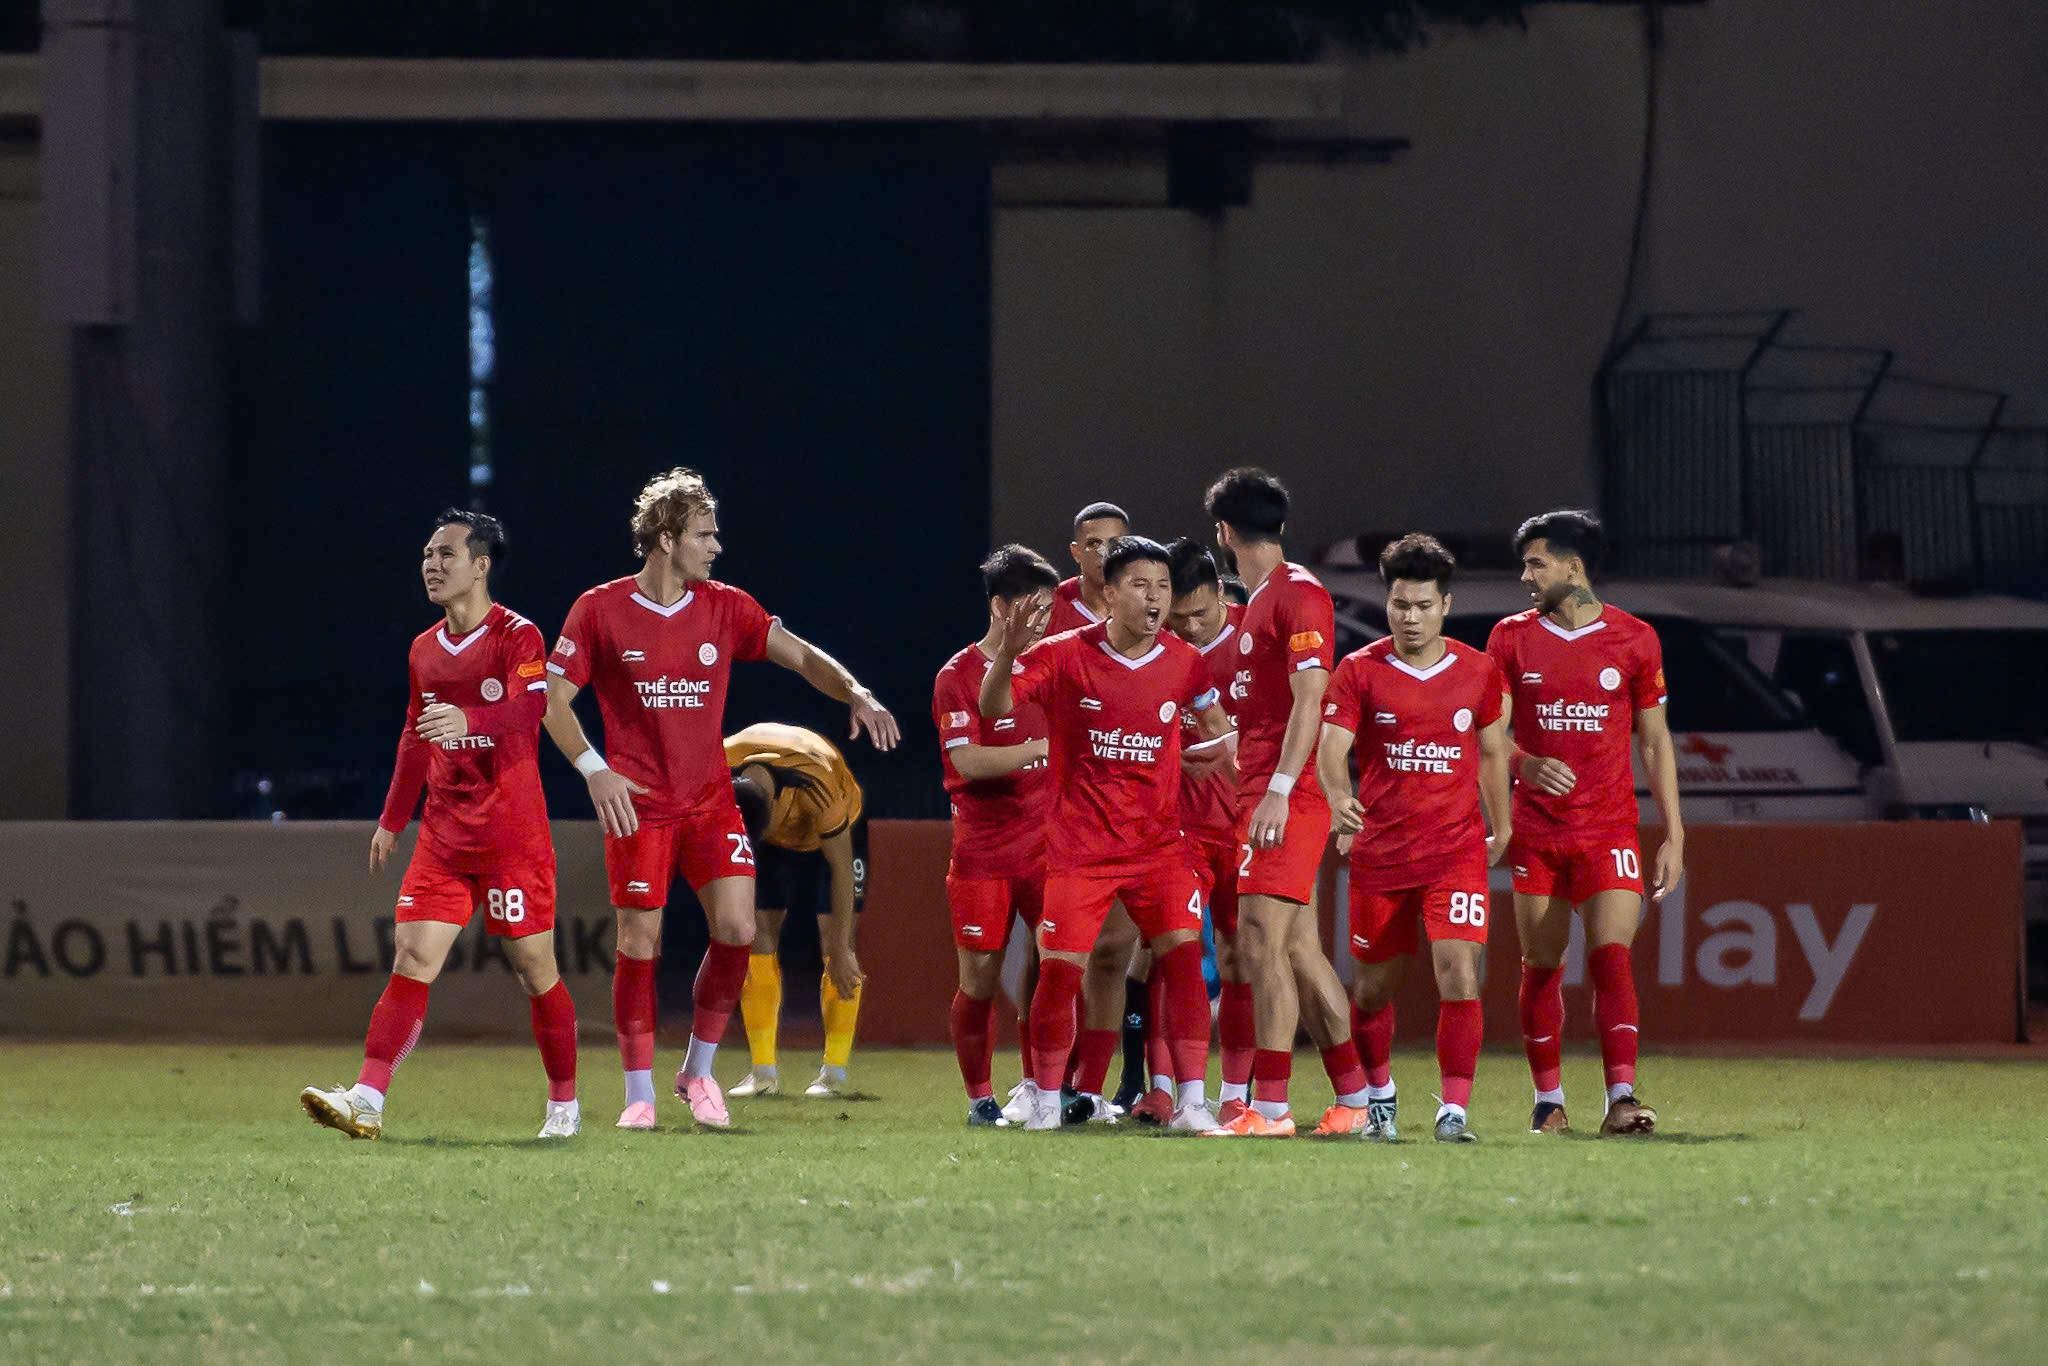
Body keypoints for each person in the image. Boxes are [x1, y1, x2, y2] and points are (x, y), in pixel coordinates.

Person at [542, 467, 900, 1131]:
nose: (717, 547)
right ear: (667, 538)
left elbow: (800, 656)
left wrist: (857, 692)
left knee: (737, 929)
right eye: (706, 535)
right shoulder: (599, 610)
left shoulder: (726, 606)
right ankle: (638, 1092)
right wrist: (595, 769)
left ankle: (697, 1073)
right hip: (640, 806)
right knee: (640, 939)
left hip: (710, 801)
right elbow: (552, 701)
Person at [301, 510, 578, 1140]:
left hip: (512, 837)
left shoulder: (519, 637)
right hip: (445, 835)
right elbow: (413, 734)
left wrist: (470, 721)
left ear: (481, 565)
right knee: (413, 954)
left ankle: (564, 1103)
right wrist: (394, 818)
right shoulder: (423, 649)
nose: (432, 563)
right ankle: (366, 1100)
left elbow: (531, 706)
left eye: (446, 554)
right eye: (427, 554)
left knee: (536, 968)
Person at [980, 535, 1234, 1134]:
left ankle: (1194, 1102)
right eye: (1141, 586)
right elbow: (996, 708)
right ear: (1111, 592)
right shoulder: (1066, 653)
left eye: (1163, 587)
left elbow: (1221, 730)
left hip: (1159, 848)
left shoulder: (1183, 661)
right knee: (1061, 970)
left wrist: (1219, 753)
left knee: (1182, 962)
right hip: (1080, 852)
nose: (1155, 598)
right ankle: (1044, 1097)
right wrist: (1007, 655)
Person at [1486, 509, 1683, 1136]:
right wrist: (1525, 763)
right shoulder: (1511, 638)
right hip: (1538, 833)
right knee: (1541, 965)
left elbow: (1654, 743)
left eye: (1536, 563)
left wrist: (1675, 833)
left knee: (1610, 956)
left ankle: (1621, 1098)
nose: (1526, 576)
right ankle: (1549, 1102)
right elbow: (1490, 736)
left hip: (1609, 829)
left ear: (1573, 567)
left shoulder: (1635, 639)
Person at [1316, 534, 1513, 1143]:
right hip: (1381, 853)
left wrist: (1500, 822)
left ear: (1445, 606)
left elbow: (1490, 751)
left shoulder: (1479, 671)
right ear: (1388, 604)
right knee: (1373, 987)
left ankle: (1453, 1111)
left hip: (1453, 851)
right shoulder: (1359, 671)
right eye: (1400, 604)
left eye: (1423, 605)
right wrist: (1339, 797)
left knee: (1459, 972)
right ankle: (1381, 1097)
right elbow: (1332, 750)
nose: (1410, 617)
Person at [1205, 467, 1374, 1138]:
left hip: (1287, 796)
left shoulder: (1298, 595)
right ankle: (1356, 1099)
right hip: (1265, 787)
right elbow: (1270, 716)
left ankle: (1269, 1109)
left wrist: (1278, 789)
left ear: (1223, 532)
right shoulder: (1261, 603)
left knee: (1258, 944)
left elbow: (1313, 694)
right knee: (1299, 951)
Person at [1118, 537, 1254, 1127]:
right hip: (1177, 831)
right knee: (1168, 953)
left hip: (1248, 823)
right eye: (1179, 617)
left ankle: (1239, 1092)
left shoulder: (1258, 640)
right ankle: (1162, 1088)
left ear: (1221, 594)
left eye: (1201, 614)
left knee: (1243, 957)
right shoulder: (1156, 650)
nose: (1191, 628)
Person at [934, 545, 1059, 1126]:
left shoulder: (1054, 667)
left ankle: (1040, 1090)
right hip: (983, 852)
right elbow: (969, 763)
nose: (1042, 622)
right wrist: (1035, 750)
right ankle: (980, 1097)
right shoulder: (957, 676)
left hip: (1051, 849)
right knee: (979, 979)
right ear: (999, 608)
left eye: (1048, 611)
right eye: (1032, 611)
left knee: (1056, 968)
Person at [722, 723, 868, 1099]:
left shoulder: (817, 783)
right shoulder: (720, 763)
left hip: (837, 833)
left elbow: (840, 868)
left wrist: (840, 945)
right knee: (753, 934)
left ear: (775, 804)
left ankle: (833, 1073)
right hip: (772, 836)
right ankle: (762, 1073)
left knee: (837, 943)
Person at [1048, 501, 1131, 633]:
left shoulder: (1152, 602)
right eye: (1093, 544)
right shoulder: (1050, 607)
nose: (1105, 553)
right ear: (1076, 552)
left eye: (1115, 543)